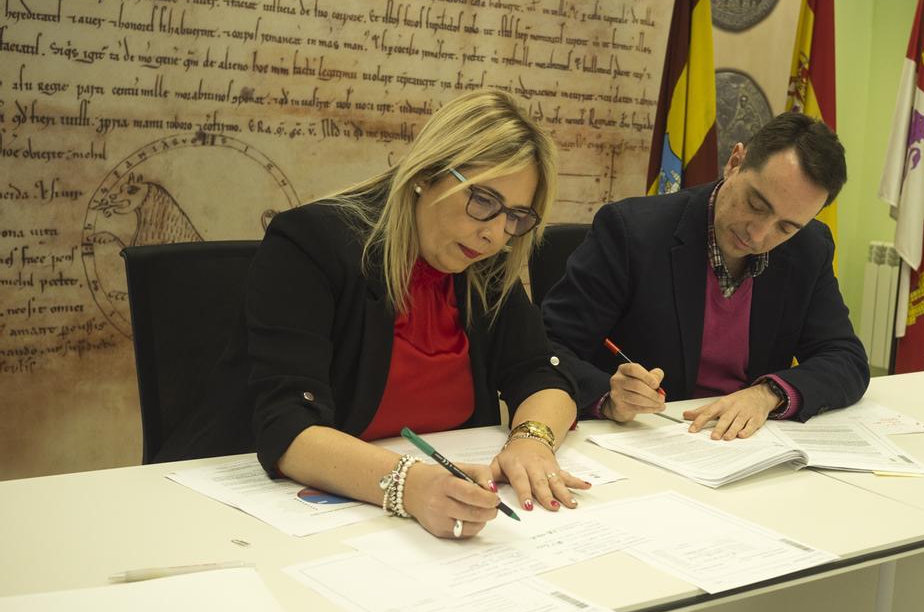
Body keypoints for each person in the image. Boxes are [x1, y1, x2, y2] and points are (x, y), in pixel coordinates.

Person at [157, 90, 588, 539]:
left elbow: (539, 373)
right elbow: (288, 427)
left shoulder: (484, 265)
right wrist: (411, 486)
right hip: (256, 517)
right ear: (427, 173)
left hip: (419, 525)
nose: (495, 234)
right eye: (483, 202)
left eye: (516, 217)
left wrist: (532, 441)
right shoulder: (311, 245)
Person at [541, 112, 869, 440]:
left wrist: (767, 394)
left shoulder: (809, 247)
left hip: (747, 444)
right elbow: (550, 346)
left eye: (785, 227)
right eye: (756, 204)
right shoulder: (631, 232)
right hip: (645, 437)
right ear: (735, 162)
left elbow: (845, 358)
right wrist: (610, 396)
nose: (758, 235)